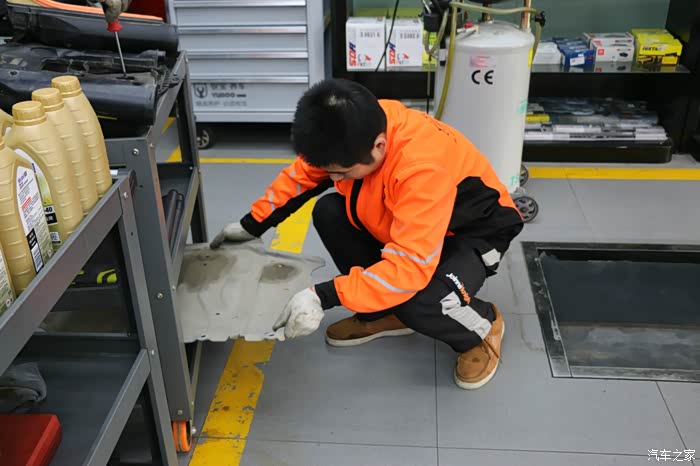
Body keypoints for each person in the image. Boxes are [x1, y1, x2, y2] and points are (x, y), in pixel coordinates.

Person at [211, 79, 524, 389]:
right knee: (329, 211)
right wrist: (252, 225)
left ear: (379, 147)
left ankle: (480, 330)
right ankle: (384, 313)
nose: (333, 179)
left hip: (471, 233)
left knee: (420, 298)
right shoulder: (358, 125)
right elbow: (303, 174)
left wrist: (322, 296)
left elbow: (410, 269)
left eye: (341, 173)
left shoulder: (422, 168)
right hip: (415, 222)